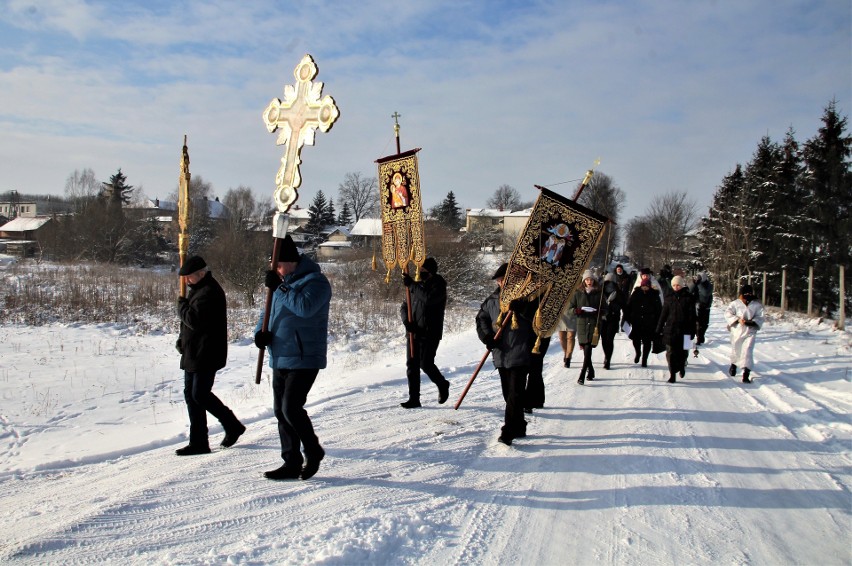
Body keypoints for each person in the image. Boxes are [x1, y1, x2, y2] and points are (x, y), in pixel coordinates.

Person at [254, 235, 331, 480]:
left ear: (291, 261)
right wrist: (260, 334)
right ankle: (291, 462)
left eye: (278, 264)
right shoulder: (280, 284)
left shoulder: (316, 282)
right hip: (280, 355)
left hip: (305, 355)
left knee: (291, 407)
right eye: (272, 265)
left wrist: (281, 287)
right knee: (280, 411)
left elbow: (305, 308)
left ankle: (313, 450)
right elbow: (266, 312)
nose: (275, 269)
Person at [175, 256, 245, 455]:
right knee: (191, 395)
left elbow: (193, 319)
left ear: (201, 274)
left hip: (206, 352)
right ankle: (198, 442)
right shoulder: (198, 290)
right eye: (185, 278)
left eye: (189, 277)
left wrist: (180, 306)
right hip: (193, 351)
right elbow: (188, 324)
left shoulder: (209, 292)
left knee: (200, 394)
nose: (187, 281)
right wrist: (182, 340)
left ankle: (232, 425)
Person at [475, 263, 533, 446]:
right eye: (499, 281)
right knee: (508, 394)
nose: (500, 283)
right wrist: (486, 337)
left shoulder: (527, 299)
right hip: (500, 353)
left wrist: (522, 308)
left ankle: (508, 431)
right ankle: (520, 425)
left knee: (515, 393)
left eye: (503, 280)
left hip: (520, 351)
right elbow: (481, 318)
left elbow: (538, 320)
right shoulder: (492, 299)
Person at [399, 257, 450, 408]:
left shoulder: (439, 286)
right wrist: (406, 322)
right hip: (414, 332)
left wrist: (412, 285)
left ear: (432, 272)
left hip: (430, 333)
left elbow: (428, 299)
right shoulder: (417, 286)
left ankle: (442, 384)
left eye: (424, 271)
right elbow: (404, 305)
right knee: (412, 365)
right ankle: (414, 398)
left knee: (425, 363)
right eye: (420, 271)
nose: (421, 273)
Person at [656, 275, 696, 383]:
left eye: (678, 285)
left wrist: (693, 331)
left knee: (682, 353)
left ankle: (682, 366)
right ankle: (672, 374)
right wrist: (658, 329)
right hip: (670, 330)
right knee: (670, 353)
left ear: (682, 285)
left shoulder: (689, 298)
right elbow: (663, 315)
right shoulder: (669, 298)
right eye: (674, 285)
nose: (676, 287)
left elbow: (693, 316)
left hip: (685, 330)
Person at [568, 270, 604, 385]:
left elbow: (605, 309)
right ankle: (591, 370)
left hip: (594, 324)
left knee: (588, 347)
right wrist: (577, 310)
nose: (589, 282)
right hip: (582, 323)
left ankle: (583, 373)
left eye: (591, 280)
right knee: (586, 348)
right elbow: (570, 309)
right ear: (584, 281)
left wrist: (599, 312)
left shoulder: (599, 293)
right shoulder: (577, 293)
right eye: (587, 280)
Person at [724, 284, 765, 383]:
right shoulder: (735, 304)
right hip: (737, 330)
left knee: (747, 350)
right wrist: (737, 320)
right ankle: (733, 365)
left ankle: (746, 373)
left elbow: (760, 316)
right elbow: (727, 313)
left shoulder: (757, 305)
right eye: (745, 293)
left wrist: (752, 322)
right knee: (736, 349)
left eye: (749, 293)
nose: (747, 295)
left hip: (750, 331)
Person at [623, 268, 663, 367]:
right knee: (635, 339)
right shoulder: (636, 293)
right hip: (637, 320)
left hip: (650, 322)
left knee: (647, 341)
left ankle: (644, 359)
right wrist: (626, 318)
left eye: (646, 286)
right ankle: (638, 353)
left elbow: (659, 308)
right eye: (643, 286)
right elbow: (629, 306)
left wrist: (660, 322)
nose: (645, 288)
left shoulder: (654, 294)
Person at [600, 272, 624, 369]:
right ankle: (606, 355)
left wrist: (612, 306)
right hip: (602, 319)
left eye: (611, 282)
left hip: (613, 319)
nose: (609, 284)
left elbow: (623, 305)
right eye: (607, 281)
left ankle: (608, 360)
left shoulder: (618, 292)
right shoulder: (601, 291)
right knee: (604, 340)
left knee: (609, 339)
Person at [694, 272, 714, 344]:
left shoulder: (709, 285)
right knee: (698, 323)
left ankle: (701, 335)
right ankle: (699, 337)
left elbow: (705, 293)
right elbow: (690, 290)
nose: (698, 279)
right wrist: (694, 284)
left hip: (706, 306)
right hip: (698, 306)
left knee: (705, 324)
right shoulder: (697, 284)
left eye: (699, 277)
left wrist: (699, 284)